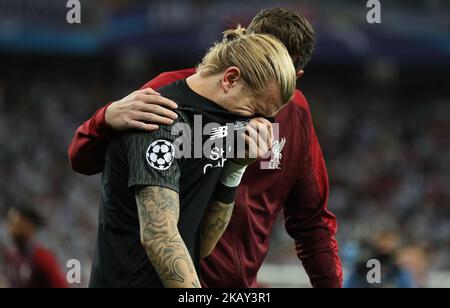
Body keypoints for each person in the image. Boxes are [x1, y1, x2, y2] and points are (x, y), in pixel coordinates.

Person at [69, 8, 343, 288]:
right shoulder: (168, 101)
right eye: (261, 58)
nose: (254, 122)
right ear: (240, 56)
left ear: (294, 76)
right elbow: (157, 232)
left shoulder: (294, 114)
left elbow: (311, 221)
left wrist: (235, 167)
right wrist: (104, 119)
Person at [3, 205, 68, 288]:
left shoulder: (41, 257)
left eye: (17, 222)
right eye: (10, 222)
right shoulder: (10, 256)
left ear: (29, 226)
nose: (12, 227)